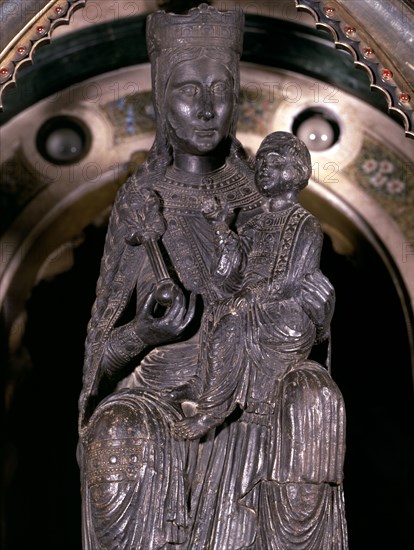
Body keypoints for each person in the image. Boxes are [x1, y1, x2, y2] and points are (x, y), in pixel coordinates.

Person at [78, 5, 348, 549]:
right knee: (117, 431)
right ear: (160, 95)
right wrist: (144, 333)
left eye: (220, 88)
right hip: (156, 394)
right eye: (186, 90)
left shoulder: (263, 197)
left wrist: (315, 312)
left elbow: (299, 296)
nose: (206, 108)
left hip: (255, 385)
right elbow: (100, 361)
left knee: (315, 397)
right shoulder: (140, 204)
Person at [171, 131, 334, 441]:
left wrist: (249, 298)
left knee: (232, 322)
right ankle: (206, 381)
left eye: (273, 163)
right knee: (217, 312)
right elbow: (231, 273)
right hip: (251, 305)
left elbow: (291, 279)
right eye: (260, 163)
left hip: (285, 316)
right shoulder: (255, 222)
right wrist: (220, 226)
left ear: (294, 170)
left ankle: (211, 411)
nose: (263, 169)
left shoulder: (304, 223)